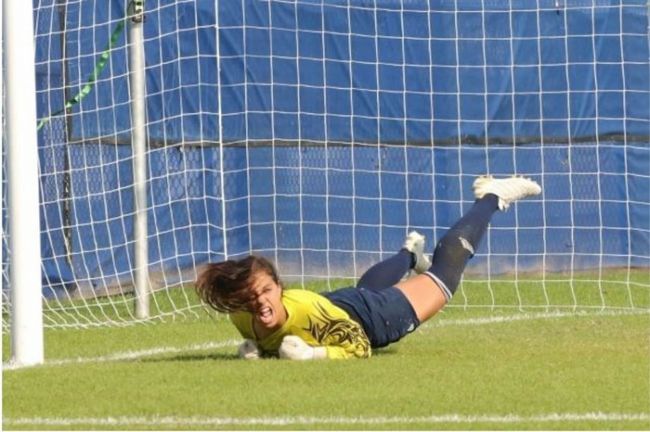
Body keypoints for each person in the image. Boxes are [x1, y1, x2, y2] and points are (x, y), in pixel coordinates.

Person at [196, 175, 541, 360]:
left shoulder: (304, 310)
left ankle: (492, 197)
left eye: (266, 291)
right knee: (362, 293)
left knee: (445, 273)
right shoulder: (241, 317)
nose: (259, 302)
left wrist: (313, 356)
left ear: (280, 287)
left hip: (375, 320)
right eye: (251, 296)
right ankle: (408, 256)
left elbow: (359, 345)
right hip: (342, 305)